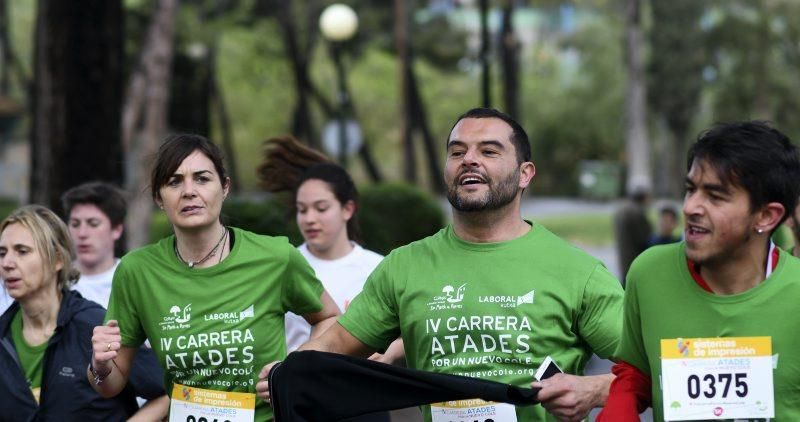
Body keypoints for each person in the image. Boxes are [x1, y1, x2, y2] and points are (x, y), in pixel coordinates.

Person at [258, 108, 624, 422]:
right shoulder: (405, 266)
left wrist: (594, 388)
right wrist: (285, 373)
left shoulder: (578, 271)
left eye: (489, 151)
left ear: (525, 173)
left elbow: (651, 369)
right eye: (457, 151)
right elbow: (336, 343)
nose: (469, 159)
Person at [88, 133, 340, 421]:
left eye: (202, 178)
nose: (189, 191)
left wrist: (295, 368)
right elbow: (109, 386)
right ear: (159, 197)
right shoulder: (137, 271)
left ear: (225, 187)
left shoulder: (275, 257)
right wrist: (99, 366)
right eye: (174, 181)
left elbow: (329, 318)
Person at [599, 121, 800, 421]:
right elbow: (635, 369)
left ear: (766, 215)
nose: (691, 207)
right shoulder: (649, 273)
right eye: (691, 189)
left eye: (715, 196)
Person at [258, 136, 396, 422]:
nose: (309, 219)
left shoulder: (378, 267)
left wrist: (389, 355)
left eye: (321, 209)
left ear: (348, 209)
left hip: (362, 403)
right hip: (298, 403)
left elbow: (410, 327)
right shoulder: (281, 264)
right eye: (301, 209)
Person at [0, 205, 168, 420]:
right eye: (2, 253)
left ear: (58, 259)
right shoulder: (3, 332)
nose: (7, 263)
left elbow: (165, 391)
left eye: (22, 251)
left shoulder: (94, 324)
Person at [61, 181, 127, 309]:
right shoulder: (56, 282)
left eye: (93, 224)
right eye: (75, 224)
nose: (82, 233)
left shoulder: (132, 280)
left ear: (116, 230)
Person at [613, 178, 652, 281]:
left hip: (624, 259)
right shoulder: (637, 212)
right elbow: (645, 239)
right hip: (635, 261)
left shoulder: (621, 210)